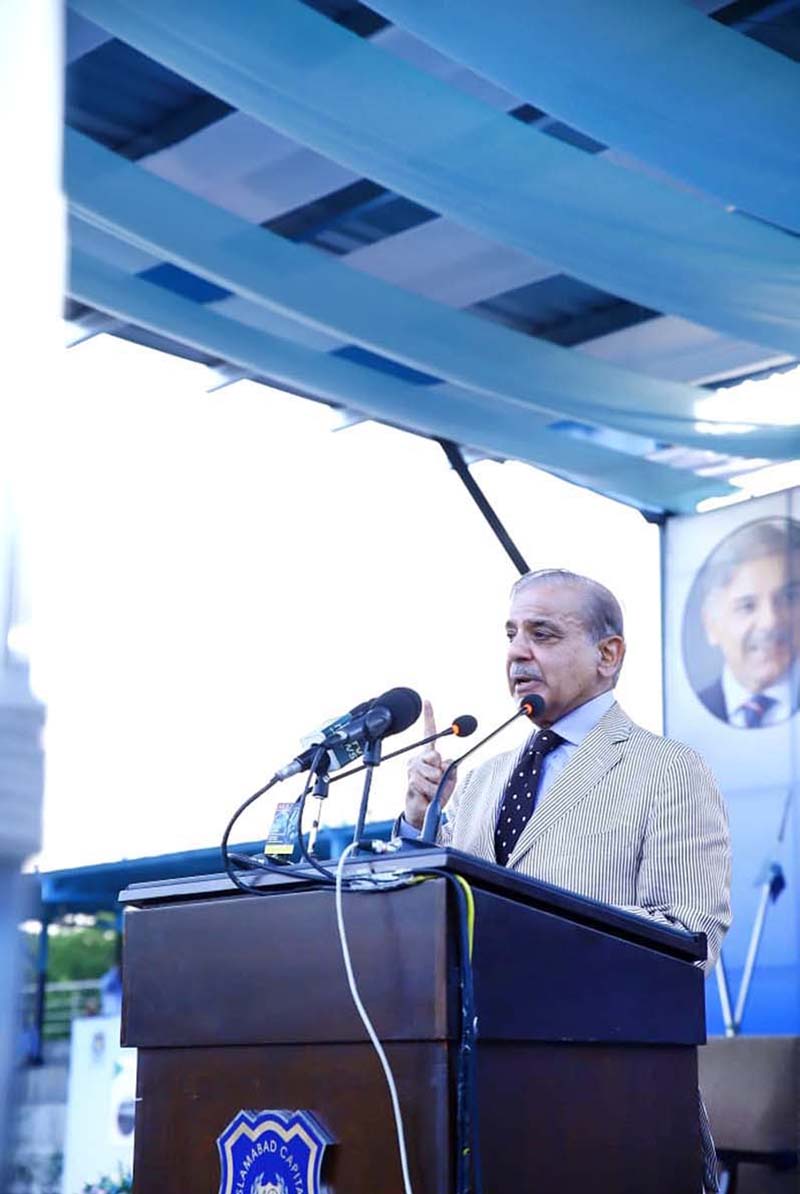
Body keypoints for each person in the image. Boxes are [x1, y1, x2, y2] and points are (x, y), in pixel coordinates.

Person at [403, 568, 731, 1192]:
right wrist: (419, 826)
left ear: (609, 655)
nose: (517, 652)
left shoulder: (669, 772)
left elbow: (688, 944)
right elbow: (433, 926)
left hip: (612, 1104)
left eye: (543, 633)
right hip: (476, 1105)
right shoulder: (477, 777)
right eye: (510, 634)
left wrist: (539, 950)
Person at [697, 519, 800, 728]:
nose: (770, 621)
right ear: (711, 625)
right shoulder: (691, 718)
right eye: (747, 606)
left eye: (788, 598)